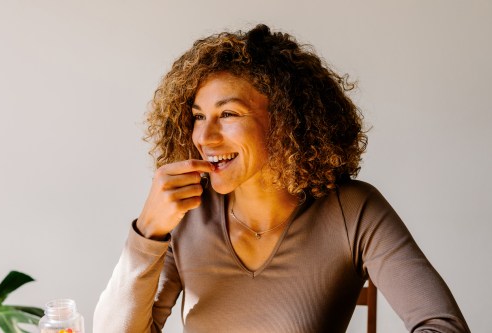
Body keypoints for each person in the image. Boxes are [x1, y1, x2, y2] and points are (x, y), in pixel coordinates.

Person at [94, 24, 470, 332]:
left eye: (228, 115)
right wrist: (147, 233)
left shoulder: (353, 210)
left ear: (288, 122)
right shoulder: (188, 212)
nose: (204, 137)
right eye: (197, 115)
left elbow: (443, 327)